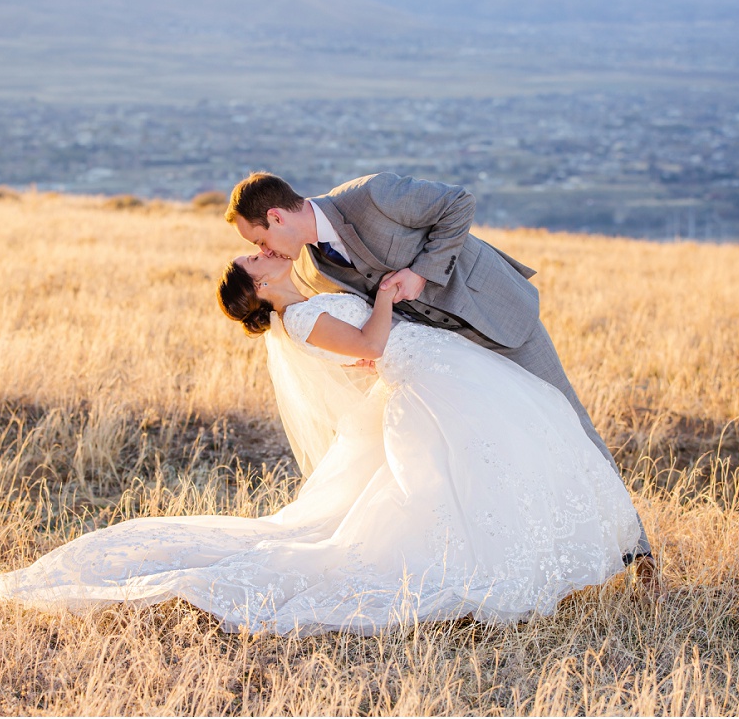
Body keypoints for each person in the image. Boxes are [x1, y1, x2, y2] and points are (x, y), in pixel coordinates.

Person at [0, 253, 643, 635]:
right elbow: (368, 344)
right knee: (457, 488)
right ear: (256, 289)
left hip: (436, 376)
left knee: (490, 467)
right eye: (254, 261)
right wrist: (388, 296)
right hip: (427, 382)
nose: (263, 254)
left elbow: (354, 357)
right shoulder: (298, 314)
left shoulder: (305, 306)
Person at [225, 171, 655, 579]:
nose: (266, 251)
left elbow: (457, 203)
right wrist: (366, 355)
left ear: (277, 217)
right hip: (446, 359)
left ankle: (639, 554)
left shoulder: (371, 196)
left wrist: (420, 272)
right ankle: (540, 554)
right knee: (504, 447)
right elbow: (355, 328)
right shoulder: (315, 270)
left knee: (570, 422)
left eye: (260, 239)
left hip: (496, 314)